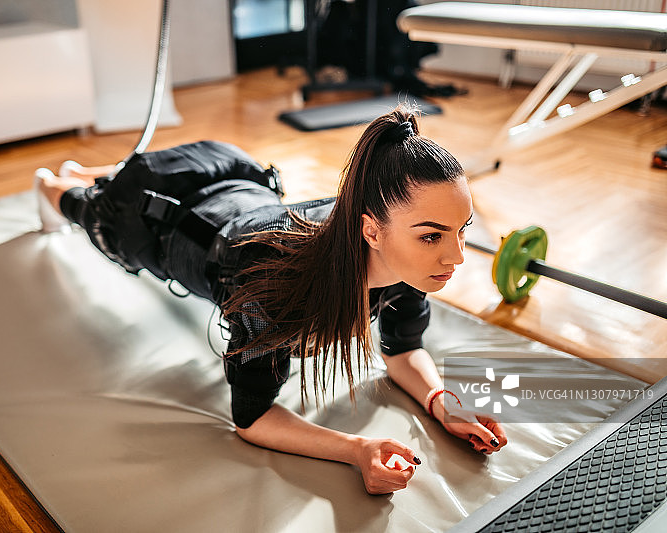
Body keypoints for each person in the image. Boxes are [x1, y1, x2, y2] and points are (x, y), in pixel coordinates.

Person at [35, 106, 508, 495]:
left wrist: (443, 404)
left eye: (461, 230)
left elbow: (402, 350)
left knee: (118, 178)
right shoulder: (276, 289)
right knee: (82, 204)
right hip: (157, 219)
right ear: (371, 230)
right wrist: (355, 449)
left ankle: (95, 174)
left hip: (240, 183)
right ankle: (58, 184)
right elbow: (252, 417)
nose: (457, 257)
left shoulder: (404, 260)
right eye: (432, 236)